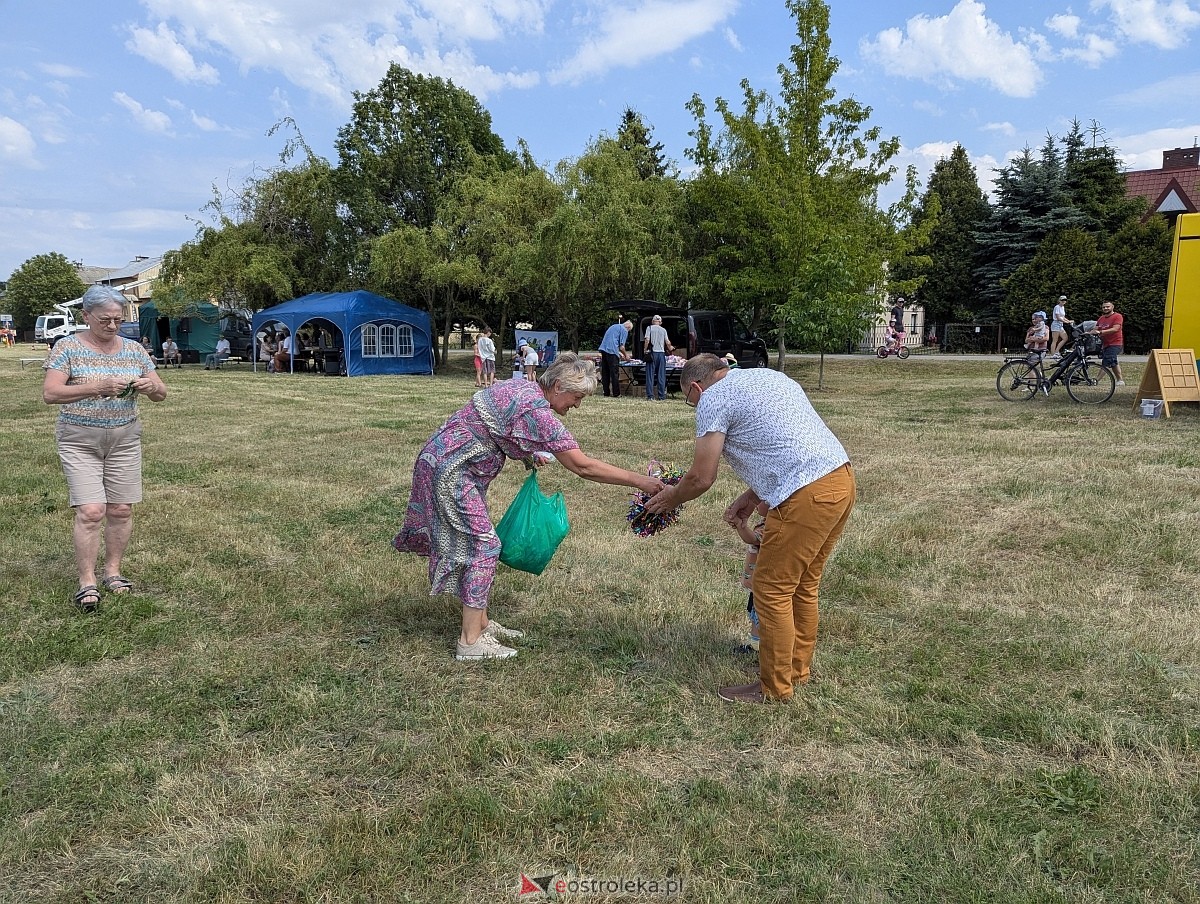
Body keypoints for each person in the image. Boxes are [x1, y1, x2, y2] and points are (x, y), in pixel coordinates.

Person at [394, 353, 664, 661]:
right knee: (484, 547)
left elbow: (499, 426)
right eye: (577, 397)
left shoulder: (523, 387)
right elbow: (584, 466)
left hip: (445, 460)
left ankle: (480, 624)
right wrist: (641, 482)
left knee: (481, 544)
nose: (577, 405)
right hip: (451, 472)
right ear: (559, 386)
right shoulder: (538, 412)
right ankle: (470, 642)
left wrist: (526, 454)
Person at [644, 354, 855, 704]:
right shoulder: (769, 378)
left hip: (805, 495)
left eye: (689, 400)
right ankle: (795, 672)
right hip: (839, 480)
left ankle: (773, 688)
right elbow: (782, 442)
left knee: (771, 589)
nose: (694, 407)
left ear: (696, 386)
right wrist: (752, 493)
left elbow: (700, 476)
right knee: (802, 586)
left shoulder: (713, 397)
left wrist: (671, 498)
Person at [41, 285, 168, 613]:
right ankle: (87, 581)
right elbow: (51, 393)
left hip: (125, 439)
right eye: (105, 320)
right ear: (86, 316)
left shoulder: (134, 349)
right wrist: (95, 387)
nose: (112, 326)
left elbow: (161, 393)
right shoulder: (66, 347)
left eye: (118, 319)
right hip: (79, 440)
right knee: (92, 511)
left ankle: (113, 571)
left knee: (121, 509)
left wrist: (150, 386)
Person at [733, 500, 770, 653]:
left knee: (758, 614)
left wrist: (740, 524)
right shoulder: (768, 521)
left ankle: (756, 645)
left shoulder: (770, 526)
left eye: (762, 500)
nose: (757, 504)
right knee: (755, 612)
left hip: (761, 581)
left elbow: (752, 538)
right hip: (757, 581)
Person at [598, 319, 633, 397]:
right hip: (612, 351)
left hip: (604, 349)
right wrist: (626, 355)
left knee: (605, 373)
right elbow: (621, 347)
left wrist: (619, 353)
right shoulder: (624, 330)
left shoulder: (614, 326)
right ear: (628, 327)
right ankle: (616, 393)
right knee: (614, 373)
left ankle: (606, 392)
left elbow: (612, 340)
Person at [643, 314, 674, 401]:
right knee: (661, 375)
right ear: (660, 322)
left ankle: (650, 396)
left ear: (652, 321)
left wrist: (645, 350)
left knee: (650, 375)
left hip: (652, 353)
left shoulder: (649, 328)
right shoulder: (663, 330)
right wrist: (670, 348)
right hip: (661, 354)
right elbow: (667, 342)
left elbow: (647, 340)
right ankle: (661, 396)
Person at [1094, 300, 1125, 385]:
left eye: (1107, 306)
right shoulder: (1101, 318)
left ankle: (1096, 381)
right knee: (1113, 361)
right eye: (1104, 307)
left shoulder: (1117, 316)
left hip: (1115, 343)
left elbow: (1115, 329)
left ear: (1112, 307)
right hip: (1105, 344)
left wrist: (1101, 332)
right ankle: (1120, 380)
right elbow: (1095, 329)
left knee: (1106, 361)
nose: (1105, 308)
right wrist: (1087, 333)